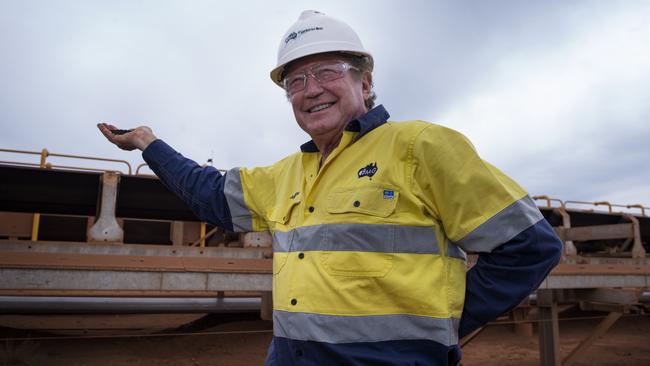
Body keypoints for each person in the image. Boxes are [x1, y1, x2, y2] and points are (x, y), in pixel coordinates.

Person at [98, 10, 562, 366]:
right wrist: (149, 144)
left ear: (366, 80)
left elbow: (529, 247)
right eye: (295, 81)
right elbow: (213, 197)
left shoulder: (420, 146)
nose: (310, 89)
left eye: (327, 72)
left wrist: (439, 326)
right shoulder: (287, 174)